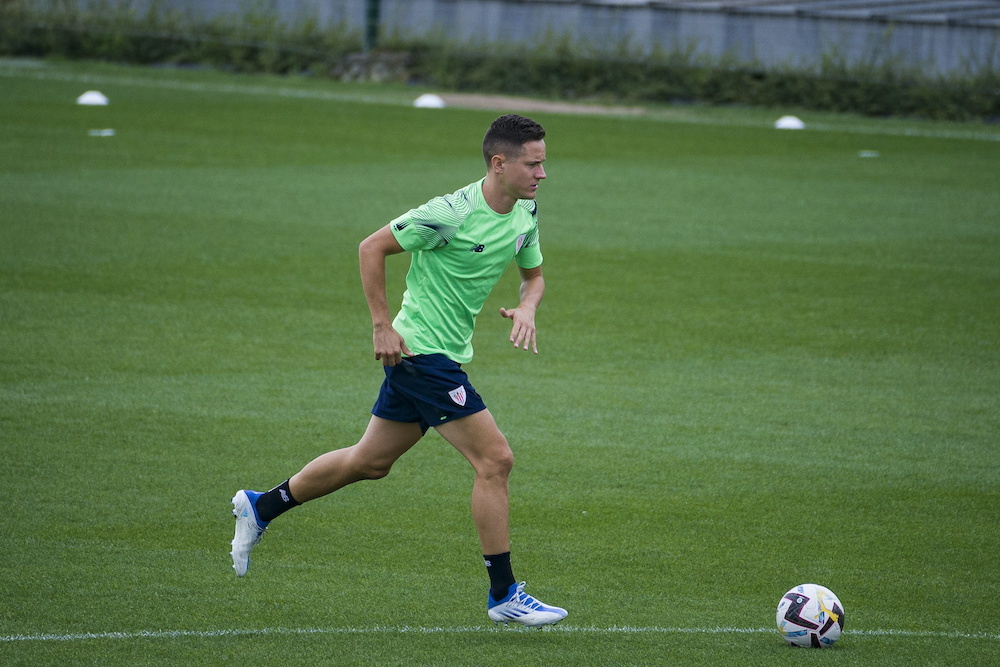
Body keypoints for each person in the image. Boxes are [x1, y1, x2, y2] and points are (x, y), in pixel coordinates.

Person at [229, 114, 567, 628]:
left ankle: (262, 506)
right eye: (533, 163)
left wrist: (528, 307)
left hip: (444, 354)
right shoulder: (449, 213)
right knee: (495, 460)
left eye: (543, 162)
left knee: (370, 462)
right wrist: (381, 325)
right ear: (499, 164)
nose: (542, 173)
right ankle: (504, 593)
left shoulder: (525, 210)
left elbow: (534, 275)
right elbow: (372, 247)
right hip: (420, 354)